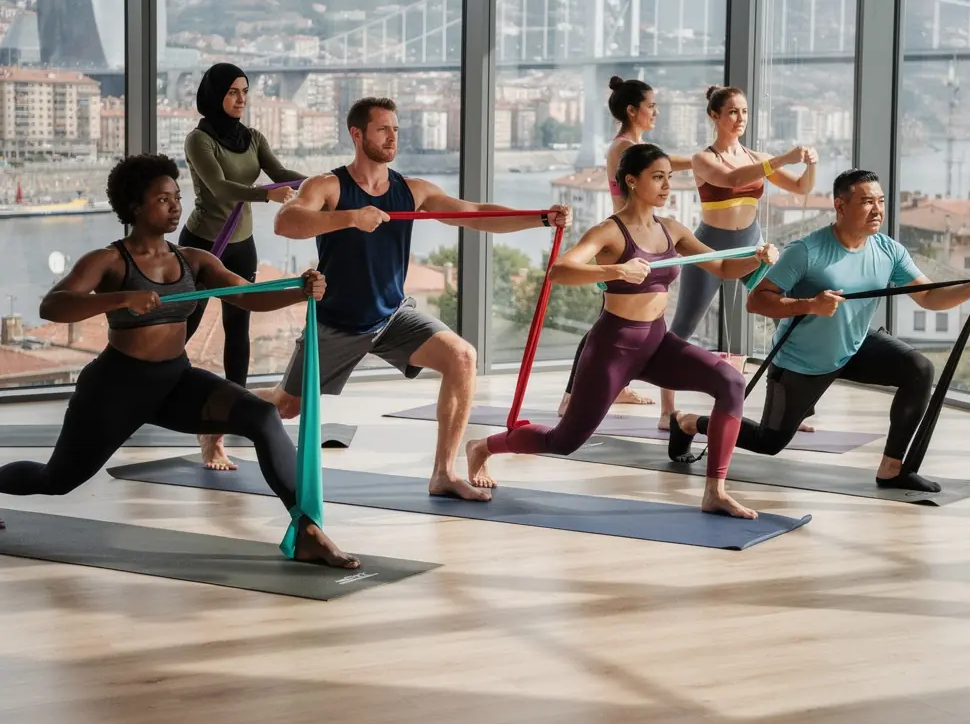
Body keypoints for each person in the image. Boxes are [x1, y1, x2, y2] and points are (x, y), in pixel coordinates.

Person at [0, 154, 357, 567]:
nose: (175, 207)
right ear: (135, 206)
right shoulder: (109, 261)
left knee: (260, 415)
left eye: (177, 197)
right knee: (56, 480)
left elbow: (247, 296)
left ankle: (308, 530)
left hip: (175, 382)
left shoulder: (194, 259)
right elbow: (53, 307)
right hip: (115, 389)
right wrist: (121, 299)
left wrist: (299, 289)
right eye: (163, 199)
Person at [264, 96, 572, 503]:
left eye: (395, 129)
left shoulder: (412, 190)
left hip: (392, 317)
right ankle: (218, 420)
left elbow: (475, 212)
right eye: (382, 129)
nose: (392, 137)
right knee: (286, 407)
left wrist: (540, 218)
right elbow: (286, 223)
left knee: (462, 357)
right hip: (336, 322)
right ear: (357, 135)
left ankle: (444, 473)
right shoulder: (328, 186)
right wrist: (352, 218)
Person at [467, 143, 778, 519]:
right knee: (564, 441)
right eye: (658, 177)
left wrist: (756, 259)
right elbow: (561, 271)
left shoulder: (672, 229)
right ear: (632, 181)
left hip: (657, 342)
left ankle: (715, 491)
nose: (667, 186)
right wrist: (616, 270)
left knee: (729, 382)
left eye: (670, 178)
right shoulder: (609, 233)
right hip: (614, 346)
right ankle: (483, 447)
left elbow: (726, 269)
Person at [673, 168, 970, 493]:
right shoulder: (807, 251)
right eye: (867, 201)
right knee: (768, 442)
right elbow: (758, 302)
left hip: (854, 345)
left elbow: (929, 297)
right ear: (840, 206)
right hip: (803, 361)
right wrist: (810, 305)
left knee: (919, 368)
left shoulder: (888, 250)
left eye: (881, 201)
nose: (877, 210)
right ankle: (689, 422)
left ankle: (892, 469)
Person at [666, 84, 818, 432]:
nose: (740, 119)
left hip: (753, 247)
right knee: (683, 328)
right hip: (710, 247)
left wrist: (810, 165)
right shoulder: (703, 158)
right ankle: (667, 410)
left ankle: (789, 410)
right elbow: (731, 178)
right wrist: (780, 159)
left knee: (790, 312)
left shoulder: (755, 158)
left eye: (745, 112)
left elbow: (801, 188)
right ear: (714, 116)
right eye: (733, 111)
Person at [179, 62, 303, 471]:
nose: (240, 99)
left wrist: (329, 183)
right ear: (215, 94)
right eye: (233, 92)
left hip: (241, 247)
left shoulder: (253, 138)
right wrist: (267, 197)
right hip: (203, 245)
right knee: (184, 328)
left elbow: (280, 173)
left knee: (238, 331)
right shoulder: (199, 140)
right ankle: (148, 392)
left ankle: (223, 423)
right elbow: (219, 187)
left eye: (245, 92)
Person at [557, 76, 694, 426]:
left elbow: (663, 163)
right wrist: (707, 162)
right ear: (632, 110)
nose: (656, 112)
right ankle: (571, 395)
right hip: (624, 237)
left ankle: (615, 387)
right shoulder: (623, 148)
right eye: (651, 106)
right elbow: (663, 162)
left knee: (615, 322)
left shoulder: (636, 144)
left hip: (643, 233)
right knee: (606, 324)